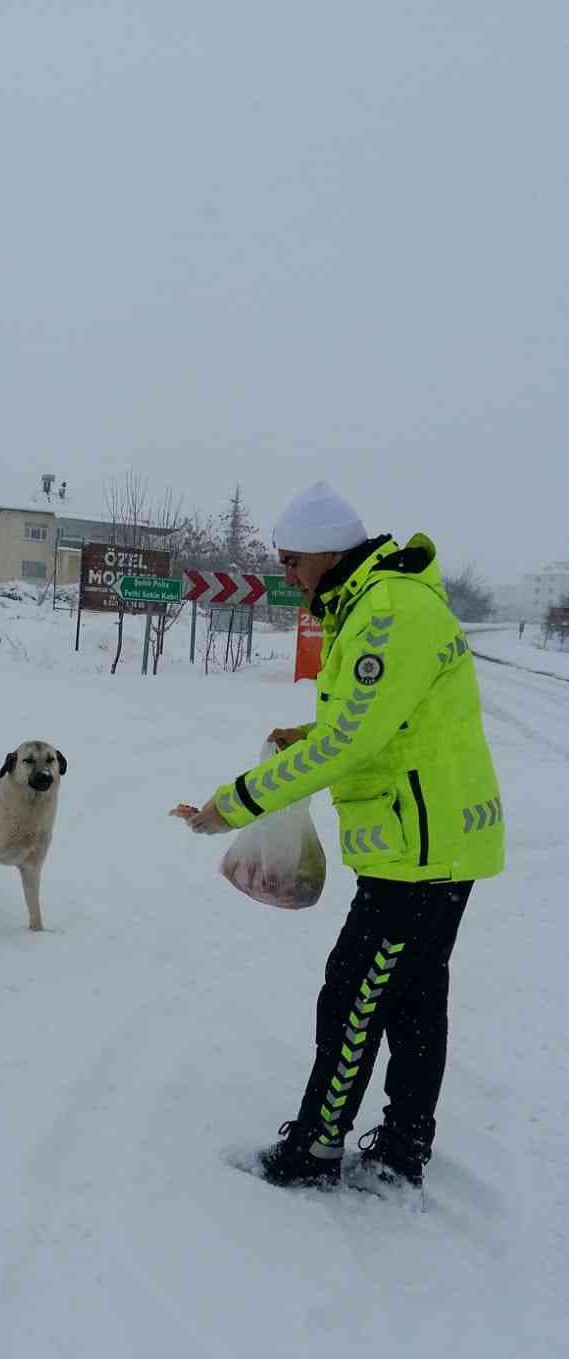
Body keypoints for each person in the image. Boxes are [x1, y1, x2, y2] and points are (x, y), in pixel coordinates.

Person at [187, 482, 505, 1191]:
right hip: (428, 840)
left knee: (354, 994)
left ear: (330, 552)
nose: (288, 575)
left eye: (294, 560)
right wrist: (314, 732)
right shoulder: (373, 600)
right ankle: (401, 1146)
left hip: (417, 850)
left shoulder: (387, 611)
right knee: (414, 998)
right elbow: (384, 721)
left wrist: (232, 804)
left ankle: (314, 1150)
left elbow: (351, 743)